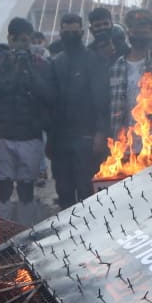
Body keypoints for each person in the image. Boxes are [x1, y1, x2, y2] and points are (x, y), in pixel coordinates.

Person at [0, 16, 53, 223]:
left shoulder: (40, 63)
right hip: (2, 134)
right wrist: (8, 69)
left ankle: (24, 229)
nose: (23, 45)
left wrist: (29, 71)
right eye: (19, 40)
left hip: (30, 134)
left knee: (26, 186)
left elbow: (48, 95)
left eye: (27, 41)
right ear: (10, 39)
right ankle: (1, 230)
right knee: (3, 185)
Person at [47, 13, 108, 208]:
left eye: (75, 32)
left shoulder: (93, 60)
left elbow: (101, 99)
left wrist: (100, 133)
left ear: (82, 32)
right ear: (61, 33)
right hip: (60, 138)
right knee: (64, 191)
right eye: (67, 32)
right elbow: (51, 102)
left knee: (85, 190)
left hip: (86, 136)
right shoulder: (56, 63)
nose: (71, 35)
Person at [107, 8, 152, 139]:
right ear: (128, 33)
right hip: (123, 146)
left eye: (144, 31)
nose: (139, 35)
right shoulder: (116, 68)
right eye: (136, 31)